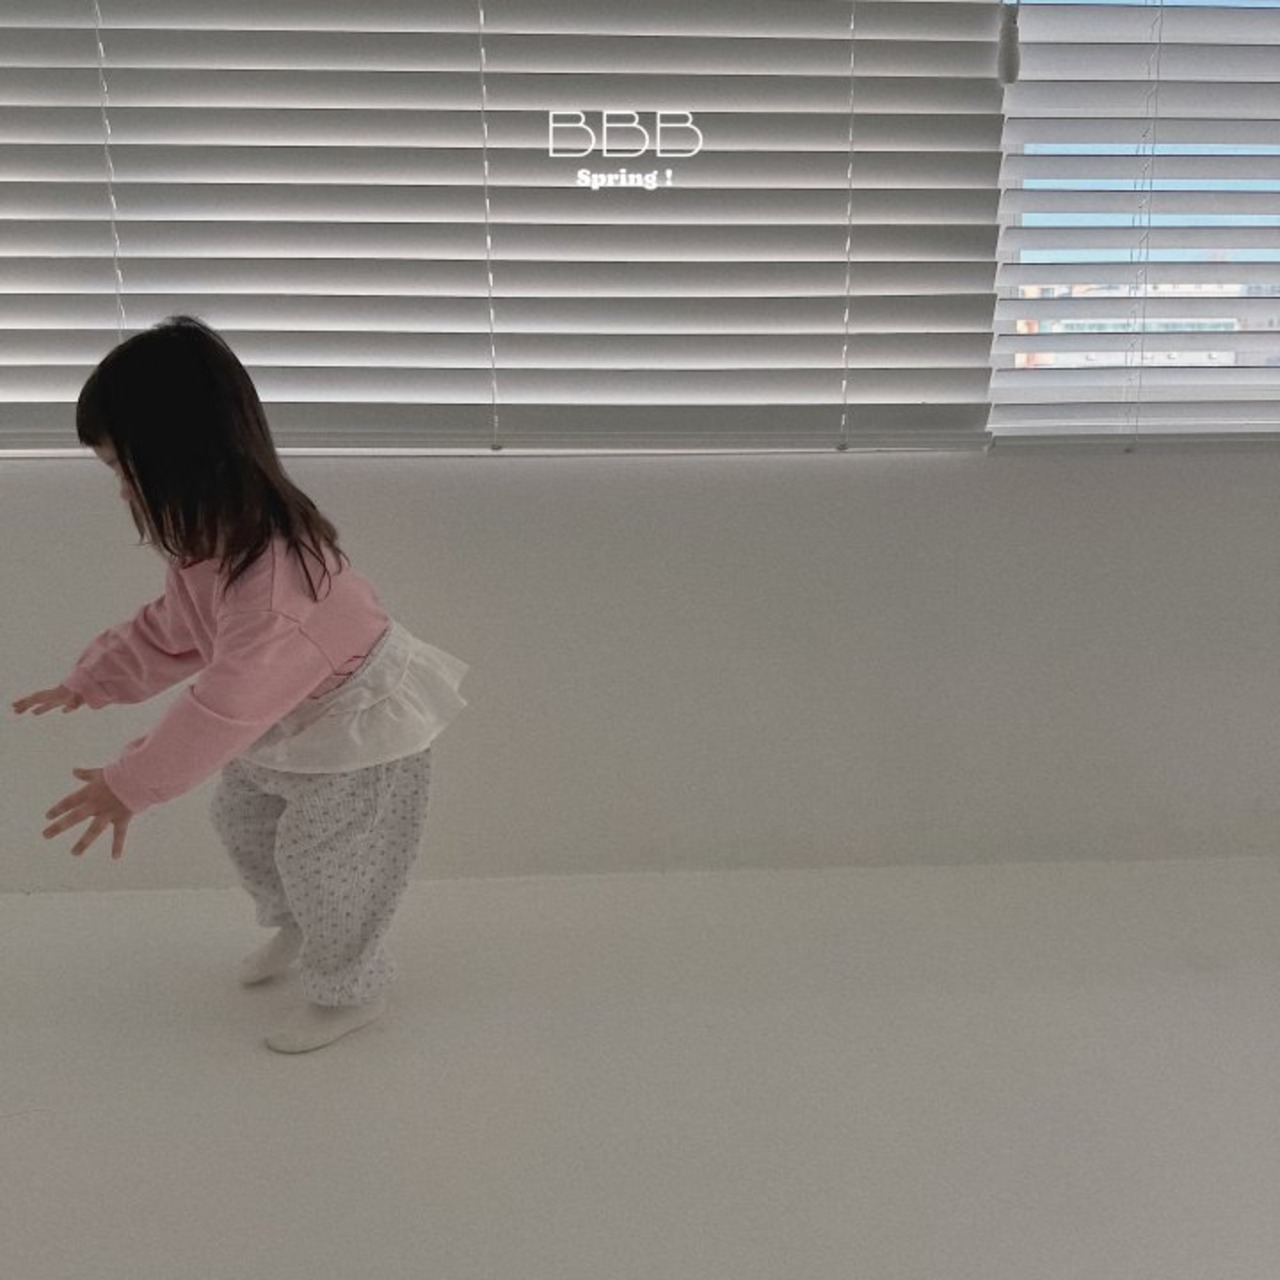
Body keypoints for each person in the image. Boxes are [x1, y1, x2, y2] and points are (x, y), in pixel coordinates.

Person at [10, 315, 470, 1054]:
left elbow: (220, 710)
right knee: (243, 818)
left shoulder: (274, 587)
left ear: (179, 459)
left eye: (125, 471)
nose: (122, 492)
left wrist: (129, 783)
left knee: (329, 860)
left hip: (357, 725)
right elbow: (174, 628)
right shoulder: (211, 545)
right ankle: (299, 926)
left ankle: (351, 988)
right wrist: (93, 679)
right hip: (287, 708)